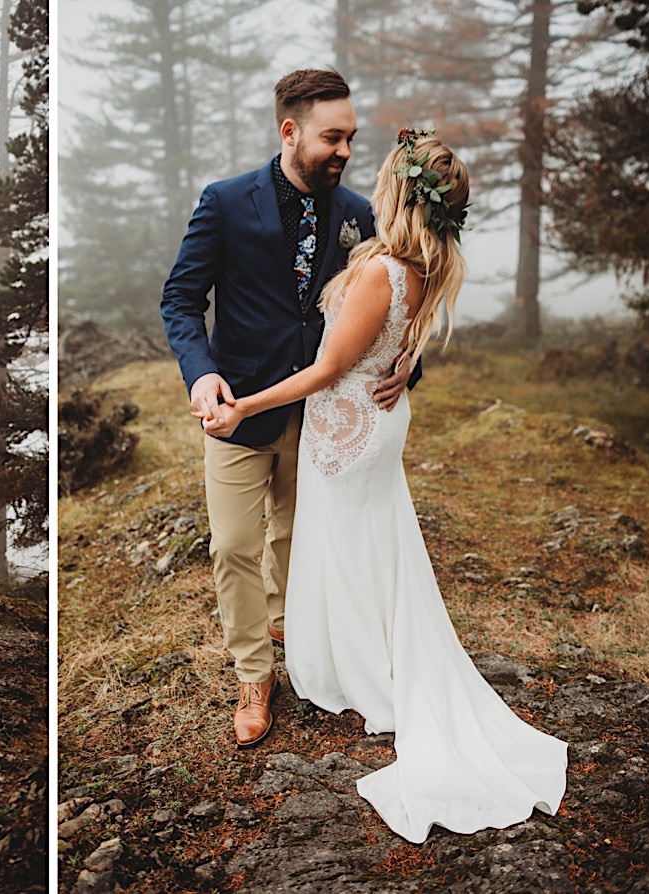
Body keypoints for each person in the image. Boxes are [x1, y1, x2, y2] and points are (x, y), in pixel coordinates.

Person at [200, 130, 567, 842]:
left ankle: (356, 670)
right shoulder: (430, 265)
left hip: (345, 425)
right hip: (374, 416)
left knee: (344, 541)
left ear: (401, 192)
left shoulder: (380, 271)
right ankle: (356, 650)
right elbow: (397, 342)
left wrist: (245, 404)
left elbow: (326, 370)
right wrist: (400, 364)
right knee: (368, 540)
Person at [161, 68, 418, 749]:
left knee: (296, 540)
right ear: (290, 131)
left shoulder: (361, 212)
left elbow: (397, 296)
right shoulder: (223, 202)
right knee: (233, 546)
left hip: (326, 419)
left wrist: (410, 362)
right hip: (241, 408)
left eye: (350, 139)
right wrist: (201, 376)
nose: (343, 151)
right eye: (331, 137)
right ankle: (254, 675)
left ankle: (292, 630)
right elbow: (181, 301)